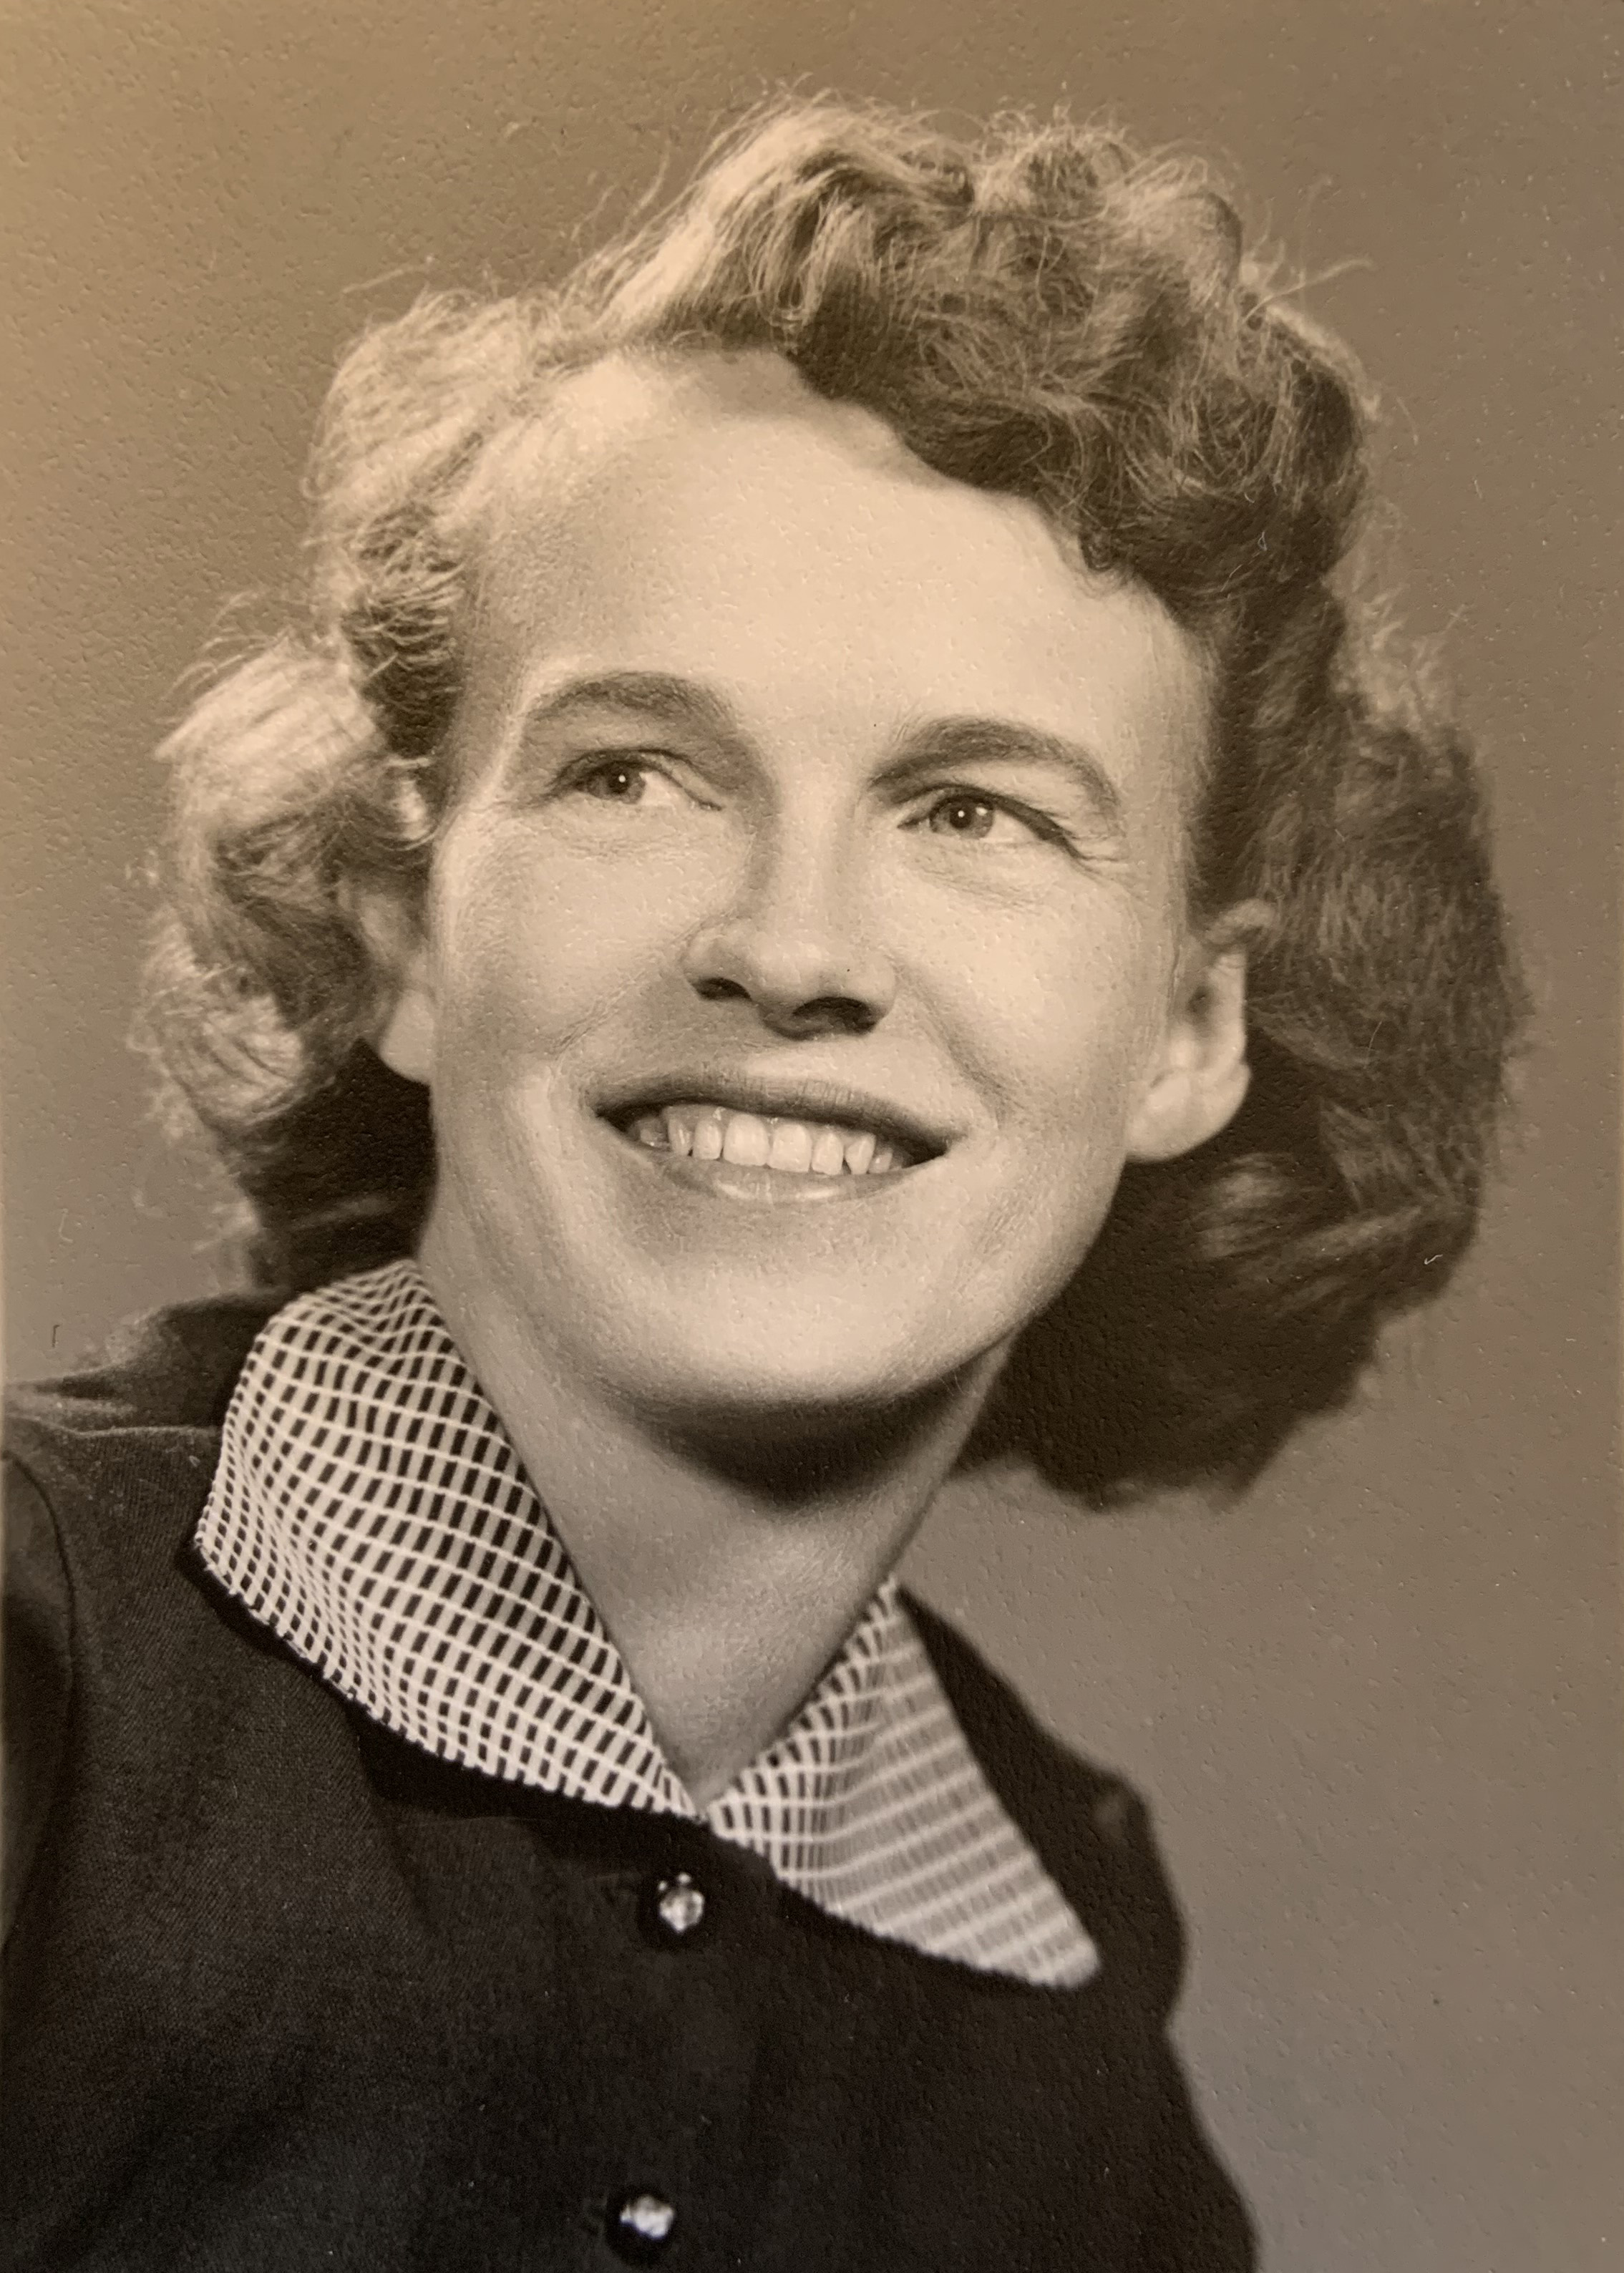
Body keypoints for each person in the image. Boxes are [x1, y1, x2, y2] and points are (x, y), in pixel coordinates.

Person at [1, 95, 1518, 2269]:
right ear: (404, 928)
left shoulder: (1059, 1977)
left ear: (1192, 1033)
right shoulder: (39, 1667)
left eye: (976, 815)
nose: (797, 950)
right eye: (635, 773)